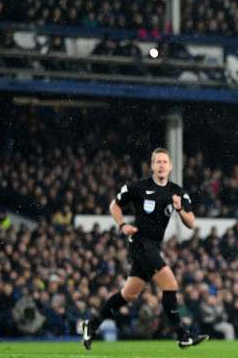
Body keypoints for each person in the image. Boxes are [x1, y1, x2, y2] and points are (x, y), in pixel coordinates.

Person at [81, 148, 208, 349]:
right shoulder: (139, 187)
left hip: (154, 246)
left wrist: (180, 209)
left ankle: (92, 324)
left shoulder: (177, 192)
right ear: (152, 166)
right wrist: (122, 225)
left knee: (129, 294)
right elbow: (114, 205)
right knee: (171, 284)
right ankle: (182, 335)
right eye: (157, 162)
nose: (161, 165)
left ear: (171, 166)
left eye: (164, 162)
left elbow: (191, 222)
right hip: (140, 243)